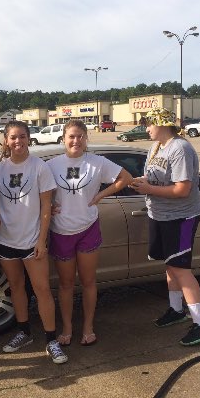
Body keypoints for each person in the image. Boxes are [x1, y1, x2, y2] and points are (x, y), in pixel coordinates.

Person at [130, 109, 200, 347]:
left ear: (162, 124)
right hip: (159, 215)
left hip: (182, 217)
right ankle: (176, 310)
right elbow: (155, 179)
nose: (146, 128)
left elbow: (182, 190)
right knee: (170, 265)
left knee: (181, 268)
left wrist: (149, 189)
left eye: (148, 124)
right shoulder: (156, 147)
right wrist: (140, 182)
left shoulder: (180, 148)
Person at [0, 121, 68, 366]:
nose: (18, 141)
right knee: (16, 286)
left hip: (33, 241)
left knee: (42, 289)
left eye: (22, 136)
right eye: (13, 137)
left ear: (28, 138)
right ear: (6, 140)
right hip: (5, 240)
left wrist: (42, 241)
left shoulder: (39, 167)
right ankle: (24, 332)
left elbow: (46, 206)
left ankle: (51, 339)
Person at [48, 120, 133, 347]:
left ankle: (88, 327)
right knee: (65, 284)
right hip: (61, 231)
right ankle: (66, 328)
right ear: (63, 138)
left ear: (86, 139)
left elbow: (126, 178)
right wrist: (47, 207)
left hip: (88, 228)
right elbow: (40, 193)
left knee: (88, 281)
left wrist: (100, 196)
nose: (76, 141)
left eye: (80, 136)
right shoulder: (51, 165)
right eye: (71, 137)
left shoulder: (97, 162)